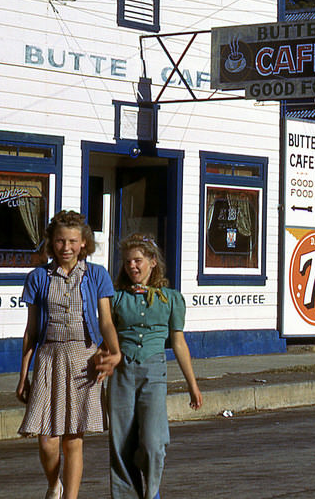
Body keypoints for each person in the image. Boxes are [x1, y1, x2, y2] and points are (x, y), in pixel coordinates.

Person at [16, 210, 122, 499]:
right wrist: (23, 375)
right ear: (51, 243)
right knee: (47, 439)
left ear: (83, 243)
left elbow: (105, 322)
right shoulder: (38, 277)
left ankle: (71, 497)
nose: (66, 247)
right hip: (49, 357)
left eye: (73, 241)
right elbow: (31, 331)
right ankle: (54, 484)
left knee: (74, 438)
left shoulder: (97, 275)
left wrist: (114, 352)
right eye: (60, 241)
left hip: (83, 358)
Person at [102, 234, 202, 499]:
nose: (132, 266)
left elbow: (179, 342)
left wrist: (192, 386)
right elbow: (106, 336)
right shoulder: (116, 298)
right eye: (127, 262)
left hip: (154, 372)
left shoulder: (170, 299)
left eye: (138, 260)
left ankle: (152, 492)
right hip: (122, 372)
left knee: (153, 442)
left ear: (152, 262)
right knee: (122, 441)